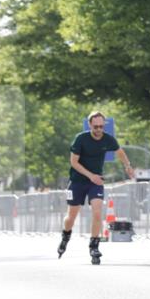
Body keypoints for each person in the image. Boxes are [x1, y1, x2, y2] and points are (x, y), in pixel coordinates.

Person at [59, 111, 135, 264]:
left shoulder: (108, 139)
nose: (99, 129)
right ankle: (65, 236)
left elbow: (120, 152)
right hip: (77, 181)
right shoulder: (81, 139)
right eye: (96, 127)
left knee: (97, 211)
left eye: (101, 126)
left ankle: (94, 246)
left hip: (96, 182)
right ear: (90, 125)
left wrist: (127, 166)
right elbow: (74, 162)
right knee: (71, 217)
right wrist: (90, 175)